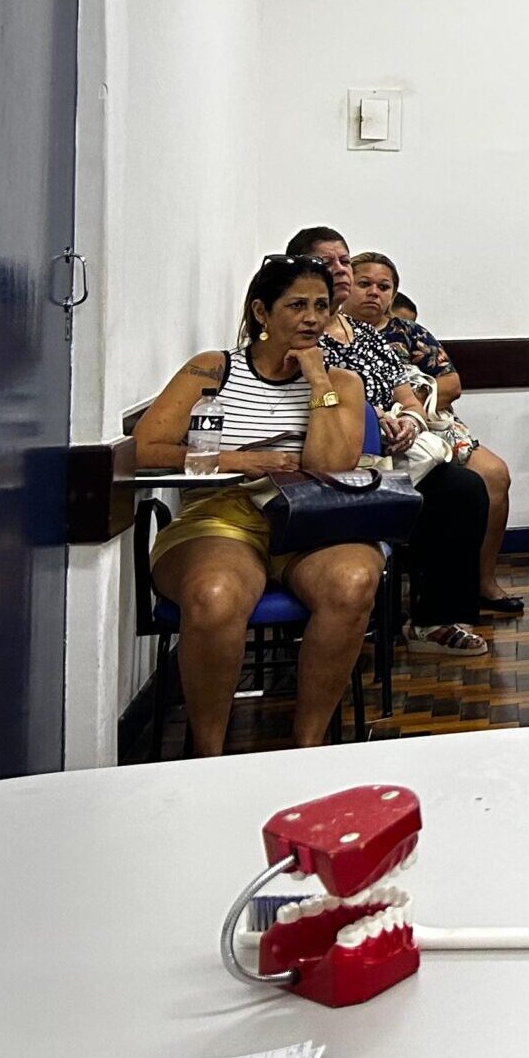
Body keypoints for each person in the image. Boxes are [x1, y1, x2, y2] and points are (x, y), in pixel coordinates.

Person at [134, 255, 384, 755]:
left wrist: (318, 382)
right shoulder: (213, 368)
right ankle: (208, 755)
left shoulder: (343, 383)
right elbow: (146, 448)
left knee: (354, 580)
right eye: (297, 306)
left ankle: (307, 746)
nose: (313, 318)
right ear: (262, 313)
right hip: (221, 514)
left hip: (312, 518)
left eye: (320, 306)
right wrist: (241, 460)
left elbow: (330, 465)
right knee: (216, 593)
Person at [286, 227, 491, 656]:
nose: (341, 269)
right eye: (330, 262)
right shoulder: (299, 331)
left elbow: (406, 390)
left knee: (463, 488)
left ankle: (433, 621)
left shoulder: (364, 333)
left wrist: (411, 421)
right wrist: (369, 419)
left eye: (345, 260)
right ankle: (350, 618)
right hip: (337, 458)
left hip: (393, 453)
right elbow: (308, 398)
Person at [346, 250, 521, 615]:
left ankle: (483, 581)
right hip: (364, 429)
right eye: (364, 284)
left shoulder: (409, 332)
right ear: (345, 285)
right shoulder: (334, 335)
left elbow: (452, 382)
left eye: (384, 286)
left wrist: (416, 399)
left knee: (494, 474)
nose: (373, 293)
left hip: (432, 422)